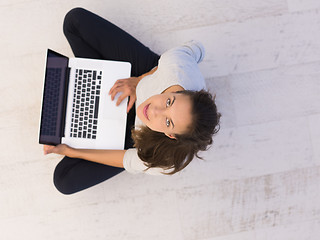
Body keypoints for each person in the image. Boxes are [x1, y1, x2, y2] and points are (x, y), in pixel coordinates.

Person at [43, 8, 221, 194]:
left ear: (171, 136)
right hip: (141, 76)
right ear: (180, 90)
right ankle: (98, 83)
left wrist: (73, 151)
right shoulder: (176, 65)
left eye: (168, 122)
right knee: (74, 21)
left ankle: (95, 100)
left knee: (64, 179)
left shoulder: (165, 160)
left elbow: (125, 159)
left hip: (134, 136)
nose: (153, 111)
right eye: (169, 102)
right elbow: (198, 49)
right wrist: (139, 81)